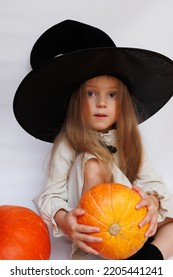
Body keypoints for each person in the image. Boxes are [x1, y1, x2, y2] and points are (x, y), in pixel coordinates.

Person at [13, 20, 173, 260]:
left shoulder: (130, 139)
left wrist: (151, 202)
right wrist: (63, 219)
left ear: (123, 103)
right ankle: (118, 256)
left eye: (112, 95)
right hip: (96, 231)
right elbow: (51, 194)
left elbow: (153, 182)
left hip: (134, 225)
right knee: (94, 162)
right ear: (76, 102)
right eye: (91, 93)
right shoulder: (69, 142)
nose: (101, 103)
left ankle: (147, 259)